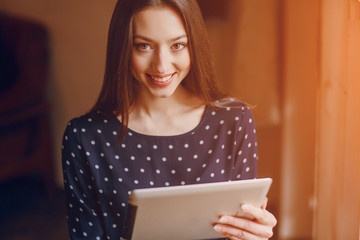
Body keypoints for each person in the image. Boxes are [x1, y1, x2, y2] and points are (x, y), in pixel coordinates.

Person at [61, 0, 277, 239]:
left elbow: (241, 228)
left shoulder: (234, 121)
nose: (161, 65)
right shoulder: (85, 137)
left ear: (194, 45)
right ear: (122, 48)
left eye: (178, 45)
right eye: (143, 46)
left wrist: (254, 236)